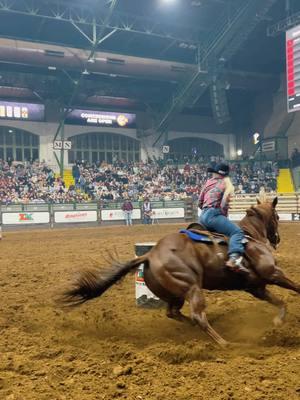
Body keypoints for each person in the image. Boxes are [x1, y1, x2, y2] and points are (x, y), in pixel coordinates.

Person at [198, 163, 248, 274]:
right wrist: (222, 215)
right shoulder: (227, 184)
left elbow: (199, 202)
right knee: (237, 232)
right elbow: (224, 203)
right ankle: (233, 258)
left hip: (202, 217)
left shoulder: (208, 182)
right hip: (214, 215)